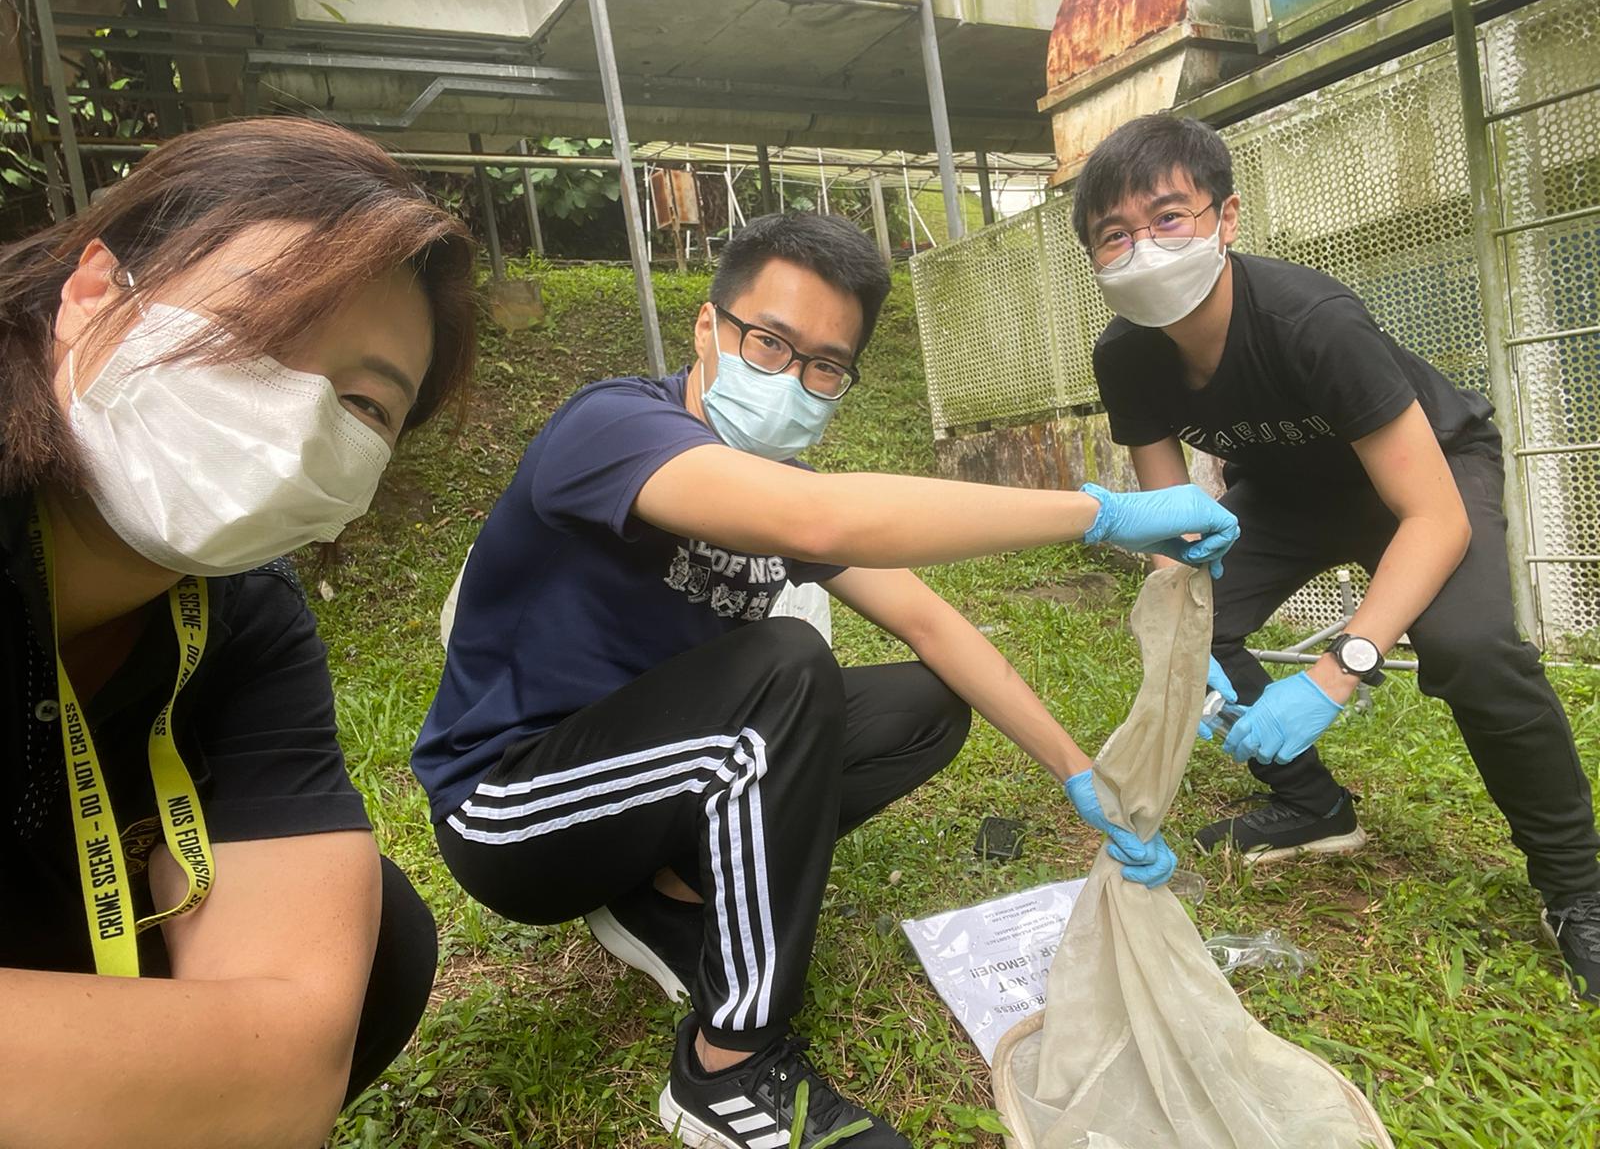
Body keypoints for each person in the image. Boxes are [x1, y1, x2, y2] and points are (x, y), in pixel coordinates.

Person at [412, 211, 1239, 1147]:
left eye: (825, 366)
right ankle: (727, 1068)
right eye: (770, 342)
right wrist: (1097, 512)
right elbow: (817, 522)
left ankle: (667, 894)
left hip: (646, 780)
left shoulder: (779, 480)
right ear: (706, 329)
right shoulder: (613, 429)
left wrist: (1081, 773)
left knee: (923, 706)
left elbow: (934, 624)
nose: (794, 379)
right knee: (786, 668)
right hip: (511, 811)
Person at [0, 116, 476, 1146]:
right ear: (92, 296)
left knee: (379, 941)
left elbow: (287, 1071)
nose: (296, 417)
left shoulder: (244, 619)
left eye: (363, 403)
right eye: (255, 329)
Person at [1075, 112, 1600, 1004]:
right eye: (1113, 235)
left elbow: (1432, 517)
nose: (1144, 250)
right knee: (1192, 622)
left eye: (1169, 218)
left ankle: (1579, 888)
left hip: (1428, 472)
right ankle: (1314, 804)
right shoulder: (1125, 358)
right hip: (1285, 491)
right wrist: (1188, 653)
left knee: (1471, 649)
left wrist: (1335, 671)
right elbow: (1178, 536)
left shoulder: (1310, 321)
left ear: (1226, 218)